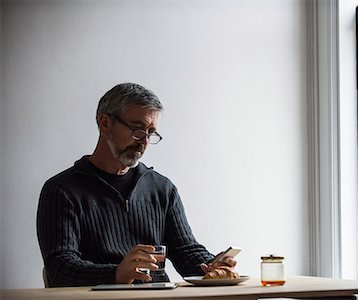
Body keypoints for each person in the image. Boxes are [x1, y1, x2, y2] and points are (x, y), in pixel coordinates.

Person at [37, 83, 237, 287]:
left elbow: (185, 251)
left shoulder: (162, 188)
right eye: (137, 129)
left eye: (150, 132)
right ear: (105, 123)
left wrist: (210, 265)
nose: (144, 142)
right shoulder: (62, 190)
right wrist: (116, 274)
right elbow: (60, 267)